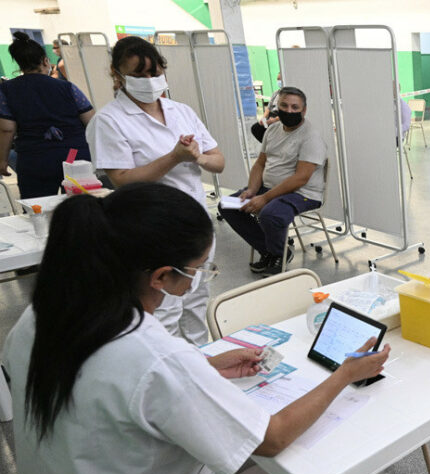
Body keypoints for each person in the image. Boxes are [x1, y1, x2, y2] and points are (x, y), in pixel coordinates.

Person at [2, 183, 388, 474]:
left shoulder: (39, 319)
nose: (197, 281)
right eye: (198, 269)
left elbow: (105, 395)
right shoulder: (154, 356)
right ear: (162, 276)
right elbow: (272, 438)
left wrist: (207, 367)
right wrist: (345, 374)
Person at [89, 35, 225, 345]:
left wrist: (199, 157)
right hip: (152, 229)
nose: (149, 81)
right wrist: (174, 157)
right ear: (117, 75)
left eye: (154, 73)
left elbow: (218, 161)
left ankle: (200, 364)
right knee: (164, 309)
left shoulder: (180, 111)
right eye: (138, 74)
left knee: (195, 300)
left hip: (194, 223)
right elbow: (122, 179)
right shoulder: (109, 120)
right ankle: (166, 370)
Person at [220, 86, 327, 276]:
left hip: (302, 194)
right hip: (268, 189)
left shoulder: (311, 137)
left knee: (270, 214)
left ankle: (278, 253)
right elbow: (260, 164)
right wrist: (252, 190)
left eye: (295, 107)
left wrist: (265, 198)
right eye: (284, 106)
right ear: (277, 106)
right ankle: (269, 250)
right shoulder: (273, 130)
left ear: (304, 111)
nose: (289, 111)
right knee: (228, 206)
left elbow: (301, 178)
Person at [0, 32, 93, 198]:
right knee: (81, 207)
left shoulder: (6, 91)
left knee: (37, 209)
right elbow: (91, 121)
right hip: (74, 156)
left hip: (35, 158)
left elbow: (7, 129)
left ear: (19, 64)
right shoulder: (68, 88)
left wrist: (2, 160)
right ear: (45, 60)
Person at [251, 72, 283, 143]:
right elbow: (268, 108)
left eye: (280, 79)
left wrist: (274, 120)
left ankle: (271, 146)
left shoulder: (287, 95)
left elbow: (286, 113)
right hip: (271, 117)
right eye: (278, 79)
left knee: (270, 129)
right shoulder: (276, 93)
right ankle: (267, 145)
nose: (279, 81)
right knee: (256, 128)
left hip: (279, 118)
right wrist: (263, 119)